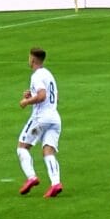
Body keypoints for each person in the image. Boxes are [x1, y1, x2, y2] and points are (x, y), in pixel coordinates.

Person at [17, 47, 63, 197]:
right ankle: (56, 183)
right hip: (54, 119)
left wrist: (27, 101)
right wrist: (32, 94)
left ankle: (31, 177)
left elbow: (42, 96)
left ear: (33, 59)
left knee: (22, 147)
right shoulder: (49, 74)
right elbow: (54, 98)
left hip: (40, 119)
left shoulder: (36, 76)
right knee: (48, 151)